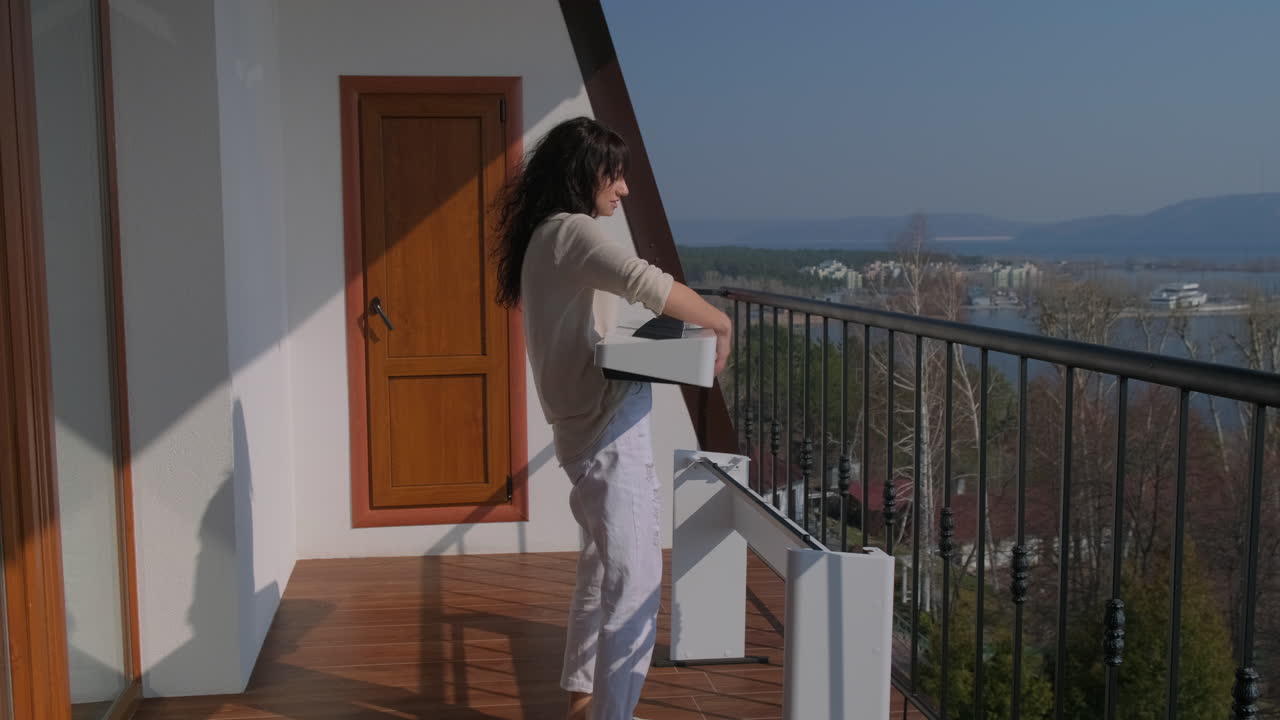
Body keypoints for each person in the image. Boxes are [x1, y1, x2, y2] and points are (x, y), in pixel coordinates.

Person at [493, 117, 731, 720]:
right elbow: (645, 282)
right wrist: (720, 322)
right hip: (605, 428)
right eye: (615, 173)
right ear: (584, 172)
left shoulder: (545, 235)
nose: (623, 189)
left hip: (582, 426)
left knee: (602, 571)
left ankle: (582, 699)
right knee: (636, 585)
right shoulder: (570, 231)